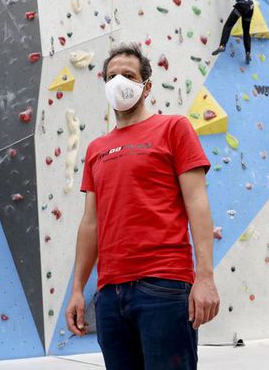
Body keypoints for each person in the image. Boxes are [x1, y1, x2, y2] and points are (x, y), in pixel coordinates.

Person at [65, 44, 220, 370]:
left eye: (128, 75)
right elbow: (90, 224)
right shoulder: (96, 148)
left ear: (146, 86)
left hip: (163, 285)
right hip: (109, 295)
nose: (118, 82)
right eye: (111, 76)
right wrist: (78, 290)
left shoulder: (174, 128)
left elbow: (197, 202)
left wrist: (204, 277)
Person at [212, 0, 255, 65]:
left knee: (228, 25)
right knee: (246, 32)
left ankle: (222, 45)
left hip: (241, 5)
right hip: (250, 7)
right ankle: (248, 53)